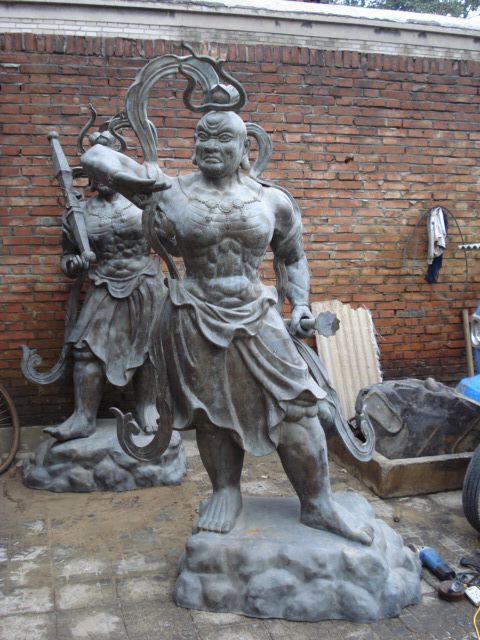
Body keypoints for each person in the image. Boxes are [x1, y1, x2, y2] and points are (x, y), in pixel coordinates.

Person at [82, 111, 373, 545]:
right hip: (194, 314)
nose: (210, 147)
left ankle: (318, 504)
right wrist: (140, 181)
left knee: (300, 406)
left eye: (222, 139)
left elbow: (292, 256)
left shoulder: (271, 199)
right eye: (202, 138)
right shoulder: (170, 191)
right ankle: (225, 492)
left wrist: (300, 305)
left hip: (257, 311)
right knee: (211, 413)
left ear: (244, 147)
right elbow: (96, 157)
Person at [45, 131, 166, 442]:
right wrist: (74, 264)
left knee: (149, 351)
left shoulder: (143, 205)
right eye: (96, 173)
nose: (102, 178)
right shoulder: (79, 213)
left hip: (144, 282)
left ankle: (147, 408)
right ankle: (83, 417)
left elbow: (171, 241)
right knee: (85, 350)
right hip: (104, 283)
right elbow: (66, 259)